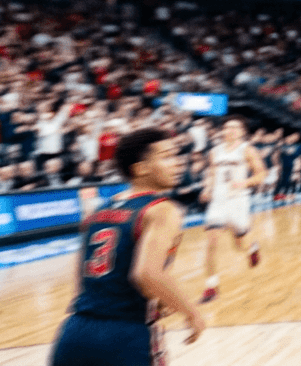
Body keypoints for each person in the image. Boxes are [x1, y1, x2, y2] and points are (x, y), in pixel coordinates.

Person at [49, 127, 205, 366]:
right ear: (140, 168)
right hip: (125, 334)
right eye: (167, 157)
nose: (178, 163)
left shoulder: (99, 211)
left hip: (74, 331)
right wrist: (192, 313)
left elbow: (80, 270)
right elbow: (146, 274)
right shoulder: (163, 209)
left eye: (177, 155)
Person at [199, 116, 267, 303]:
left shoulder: (248, 150)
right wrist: (207, 187)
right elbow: (211, 173)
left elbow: (262, 174)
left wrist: (244, 182)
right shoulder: (214, 152)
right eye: (227, 127)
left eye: (235, 127)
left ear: (242, 131)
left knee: (239, 245)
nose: (230, 130)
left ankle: (251, 247)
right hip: (218, 201)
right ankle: (211, 287)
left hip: (238, 201)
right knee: (211, 242)